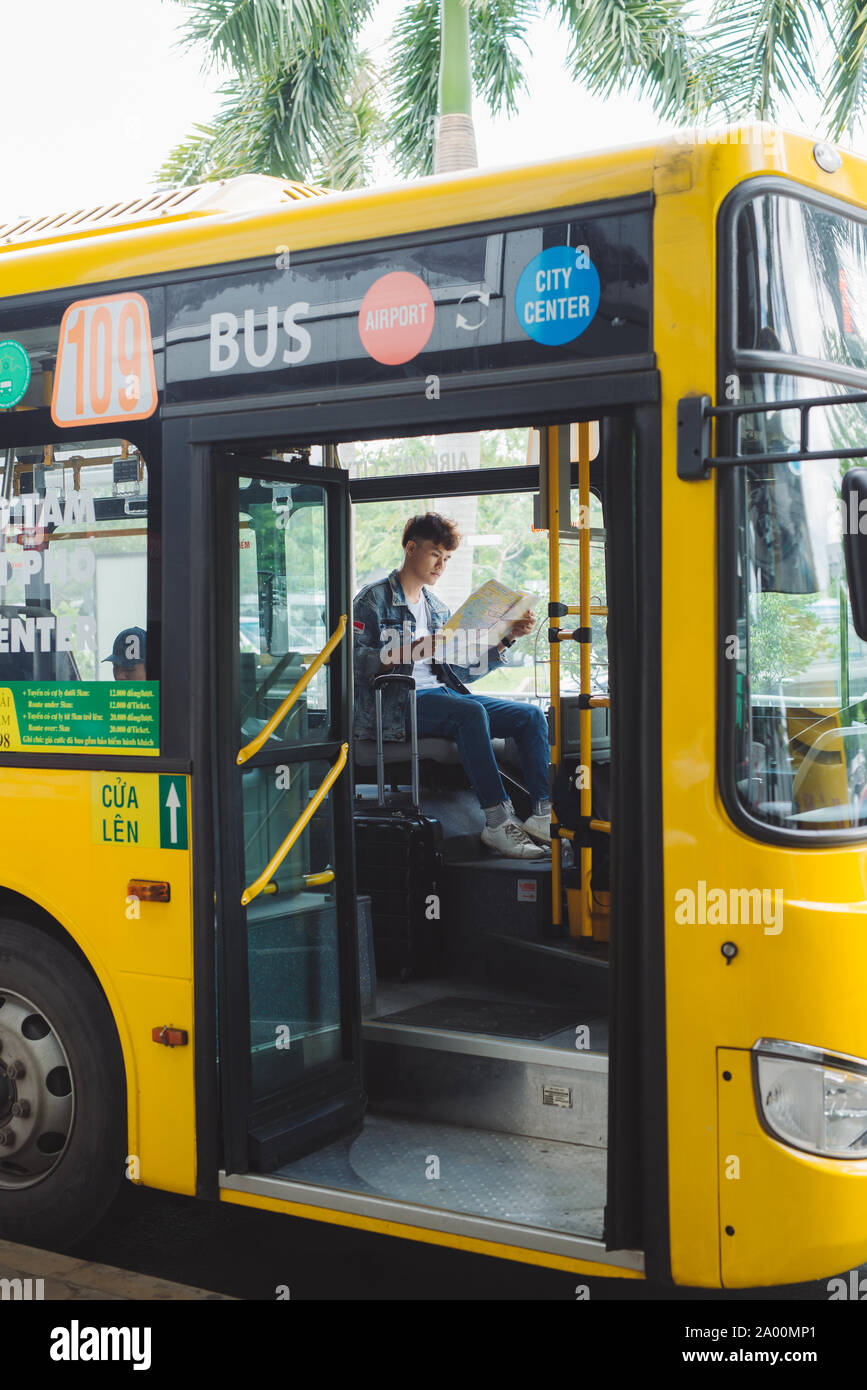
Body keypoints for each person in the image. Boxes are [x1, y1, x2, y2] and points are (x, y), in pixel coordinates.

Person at [353, 513, 551, 860]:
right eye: (435, 555)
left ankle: (542, 815)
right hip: (396, 705)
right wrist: (411, 650)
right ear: (411, 548)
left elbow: (463, 672)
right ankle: (496, 820)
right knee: (469, 712)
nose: (441, 565)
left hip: (441, 697)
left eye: (447, 559)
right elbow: (352, 663)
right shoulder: (372, 601)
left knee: (530, 716)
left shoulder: (437, 608)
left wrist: (505, 639)